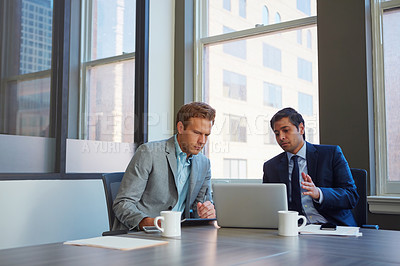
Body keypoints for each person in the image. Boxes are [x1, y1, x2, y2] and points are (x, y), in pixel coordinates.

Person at [112, 102, 216, 231]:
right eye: (197, 133)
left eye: (206, 135)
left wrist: (206, 212)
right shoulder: (149, 153)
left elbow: (198, 210)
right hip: (142, 234)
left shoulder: (204, 163)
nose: (202, 141)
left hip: (178, 234)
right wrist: (151, 222)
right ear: (180, 127)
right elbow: (122, 204)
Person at [263, 107, 359, 226]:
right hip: (293, 230)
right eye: (277, 134)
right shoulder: (271, 167)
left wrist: (319, 193)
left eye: (286, 130)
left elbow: (351, 196)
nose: (281, 137)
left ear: (301, 129)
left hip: (331, 228)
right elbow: (268, 205)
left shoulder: (331, 154)